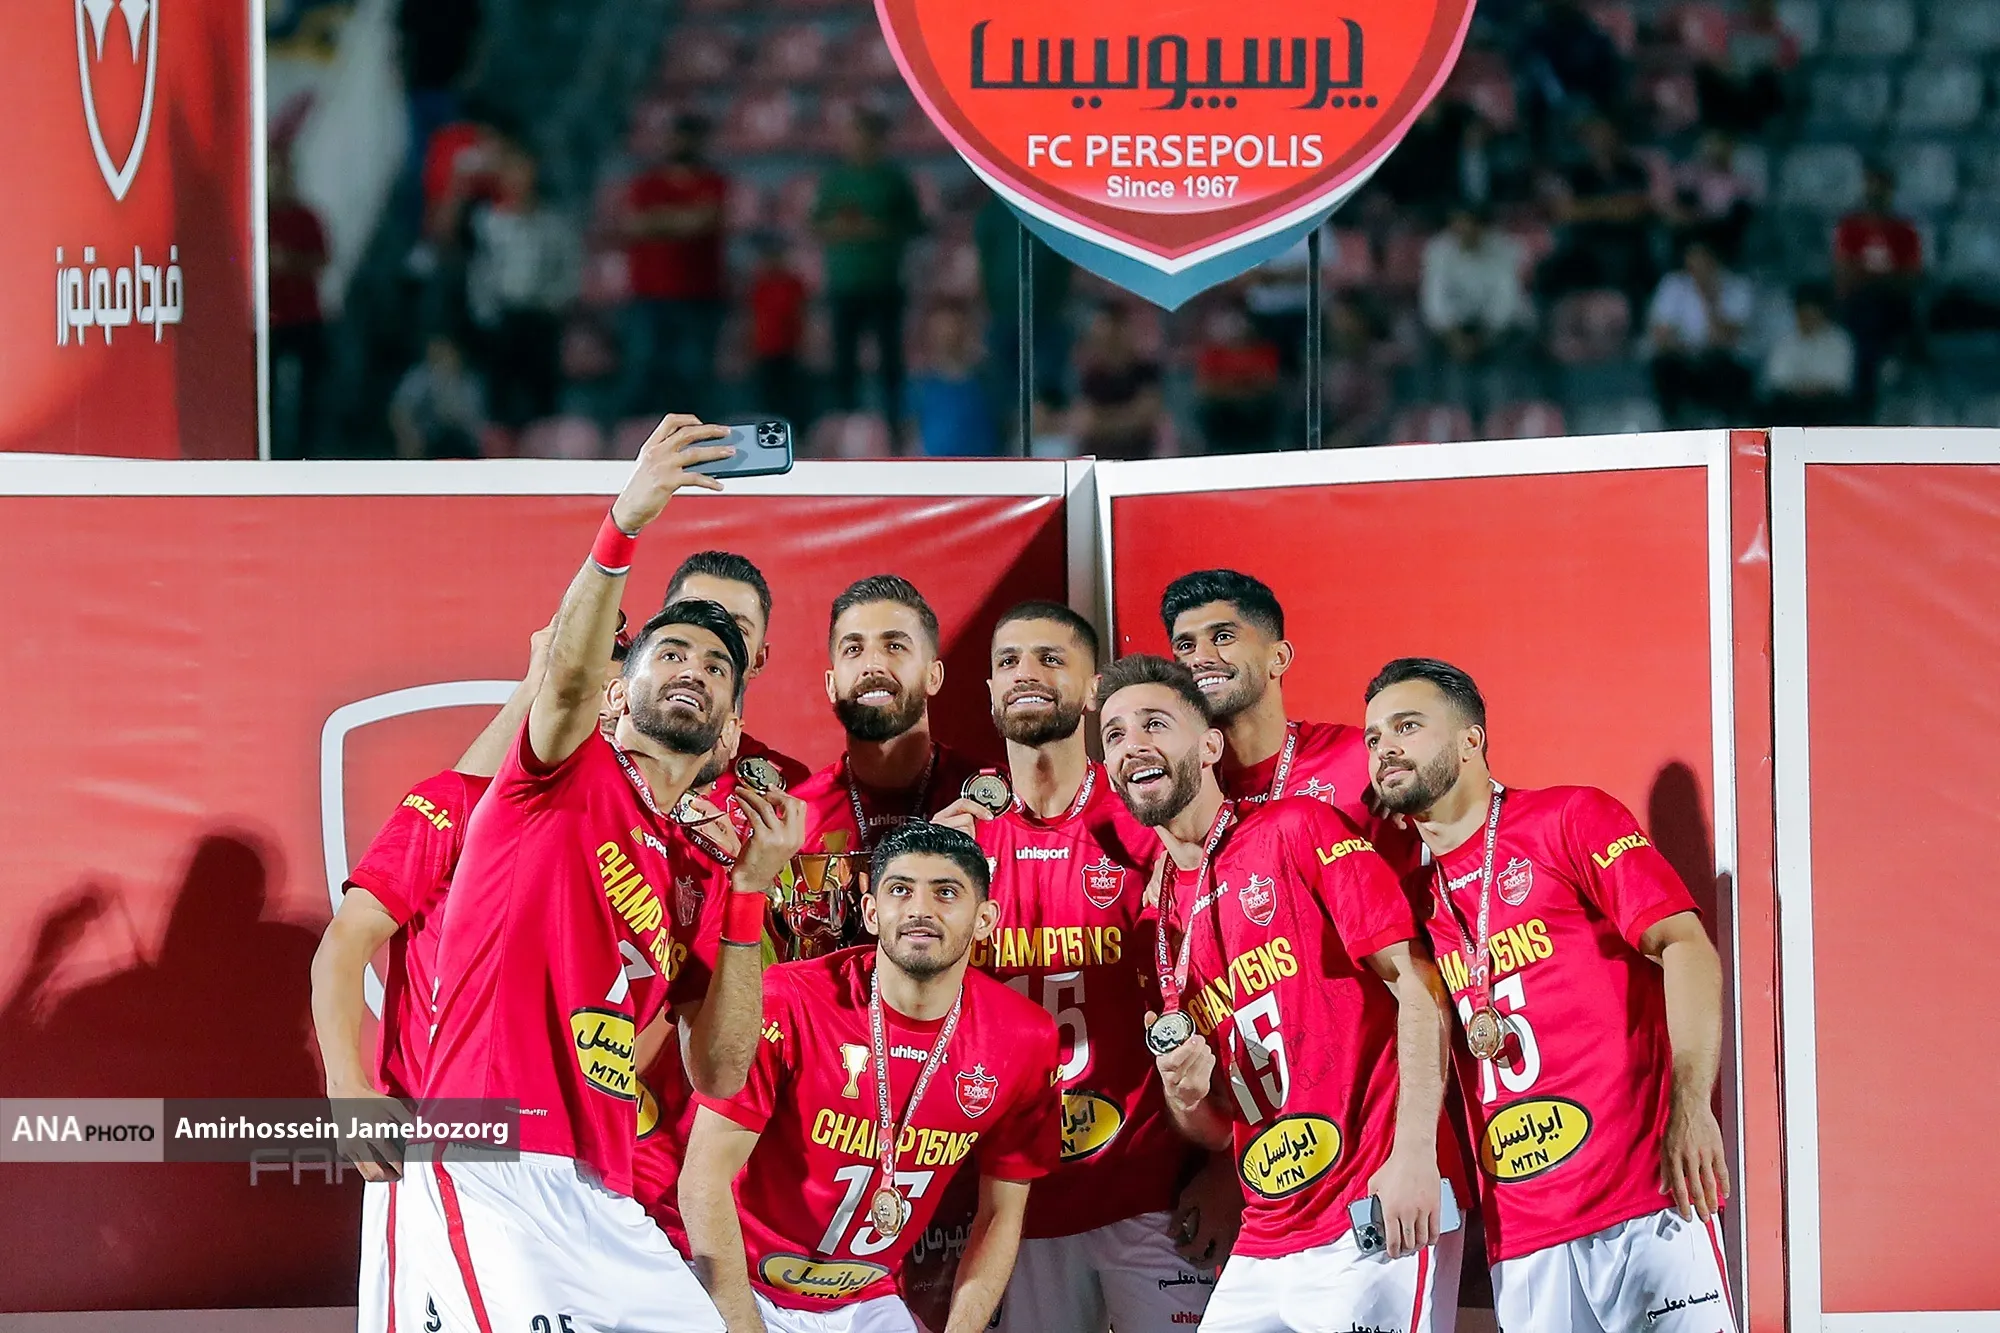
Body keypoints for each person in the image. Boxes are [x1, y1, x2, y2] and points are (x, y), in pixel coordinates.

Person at [398, 415, 807, 1333]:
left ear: (732, 731)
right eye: (672, 653)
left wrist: (750, 893)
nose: (695, 670)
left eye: (719, 666)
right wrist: (627, 519)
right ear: (620, 690)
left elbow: (720, 1070)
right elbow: (568, 675)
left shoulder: (702, 872)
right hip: (494, 1161)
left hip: (607, 1192)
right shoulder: (558, 768)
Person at [1362, 658, 1735, 1333]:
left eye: (1407, 726)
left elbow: (1685, 947)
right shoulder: (1413, 903)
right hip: (1524, 1233)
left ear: (1470, 740)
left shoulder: (1567, 818)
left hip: (1647, 1196)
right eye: (1374, 736)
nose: (1385, 747)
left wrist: (1692, 1104)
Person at [1098, 656, 1462, 1333]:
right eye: (1114, 734)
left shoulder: (1297, 828)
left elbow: (1419, 984)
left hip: (1371, 1202)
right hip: (1265, 1230)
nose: (1133, 745)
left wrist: (1415, 1152)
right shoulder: (1156, 924)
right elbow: (1213, 1126)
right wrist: (1186, 1095)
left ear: (1211, 746)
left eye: (1155, 724)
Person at [927, 602, 1232, 1333]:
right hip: (1012, 1210)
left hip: (1151, 1198)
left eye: (1050, 658)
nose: (1026, 674)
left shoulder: (1148, 820)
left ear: (1094, 688)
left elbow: (1235, 993)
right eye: (1008, 662)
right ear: (989, 690)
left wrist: (1229, 1169)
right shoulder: (954, 845)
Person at [679, 822, 1062, 1333]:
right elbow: (703, 1178)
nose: (920, 910)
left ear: (985, 918)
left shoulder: (1024, 1037)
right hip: (734, 1282)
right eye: (900, 890)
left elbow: (1001, 1215)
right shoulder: (791, 999)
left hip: (865, 1300)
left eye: (946, 893)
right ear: (871, 912)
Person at [1161, 569, 1419, 874]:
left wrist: (1418, 785)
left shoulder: (1363, 757)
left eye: (1223, 637)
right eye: (1186, 646)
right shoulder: (1180, 786)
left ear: (1279, 658)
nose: (1199, 658)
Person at [784, 577, 982, 956]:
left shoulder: (987, 805)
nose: (873, 665)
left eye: (894, 646)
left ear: (933, 676)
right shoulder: (794, 819)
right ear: (831, 684)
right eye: (854, 649)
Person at [814, 110, 925, 438]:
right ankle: (844, 428)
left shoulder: (893, 180)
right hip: (845, 283)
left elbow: (915, 224)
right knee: (843, 360)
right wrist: (849, 229)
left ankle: (893, 427)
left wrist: (879, 229)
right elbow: (818, 223)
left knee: (890, 360)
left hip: (885, 282)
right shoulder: (835, 181)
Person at [620, 114, 730, 419]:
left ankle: (697, 435)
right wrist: (684, 219)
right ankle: (637, 434)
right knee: (643, 371)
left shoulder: (713, 182)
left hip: (700, 296)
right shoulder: (646, 184)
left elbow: (705, 221)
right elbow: (635, 225)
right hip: (649, 295)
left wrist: (661, 221)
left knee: (694, 375)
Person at [466, 147, 580, 431]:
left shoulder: (553, 224)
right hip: (502, 319)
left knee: (542, 398)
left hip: (542, 318)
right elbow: (480, 272)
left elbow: (569, 267)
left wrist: (555, 303)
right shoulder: (488, 223)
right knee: (498, 399)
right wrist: (485, 314)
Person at [1418, 205, 1532, 417]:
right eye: (1457, 224)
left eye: (1468, 224)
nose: (1462, 231)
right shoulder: (1438, 249)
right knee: (1435, 354)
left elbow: (1505, 303)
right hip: (1455, 328)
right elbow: (1434, 302)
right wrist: (1455, 338)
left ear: (1481, 227)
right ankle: (1453, 418)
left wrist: (1482, 339)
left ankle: (1501, 416)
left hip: (1502, 327)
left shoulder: (1505, 248)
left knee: (1508, 354)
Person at [1833, 166, 1923, 417]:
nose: (1875, 193)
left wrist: (1870, 277)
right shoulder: (1850, 228)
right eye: (1871, 186)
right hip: (1859, 307)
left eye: (1881, 187)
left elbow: (1910, 278)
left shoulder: (1904, 230)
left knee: (1892, 314)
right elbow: (1845, 275)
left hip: (1895, 305)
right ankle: (1864, 405)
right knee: (1866, 318)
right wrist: (1883, 278)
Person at [1539, 116, 1655, 306]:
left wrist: (1588, 208)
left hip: (1627, 244)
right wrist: (1612, 207)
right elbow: (1565, 212)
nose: (1600, 140)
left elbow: (1636, 209)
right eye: (1594, 135)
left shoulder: (1633, 170)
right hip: (1587, 246)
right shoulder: (1577, 174)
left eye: (1604, 134)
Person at [1645, 240, 1755, 425]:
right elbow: (1661, 335)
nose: (1697, 269)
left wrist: (1710, 301)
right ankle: (1673, 423)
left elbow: (1725, 338)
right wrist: (1687, 348)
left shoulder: (1738, 287)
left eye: (1703, 262)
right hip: (1684, 357)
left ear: (1714, 260)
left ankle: (1726, 423)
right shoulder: (1673, 285)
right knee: (1664, 366)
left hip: (1722, 359)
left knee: (1724, 368)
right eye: (1692, 262)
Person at [267, 147, 330, 459]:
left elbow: (322, 260)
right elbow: (235, 259)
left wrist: (289, 262)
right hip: (270, 319)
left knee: (310, 391)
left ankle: (307, 452)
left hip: (304, 316)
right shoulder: (259, 219)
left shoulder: (306, 218)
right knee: (266, 391)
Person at [1071, 305, 1164, 460]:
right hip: (1098, 460)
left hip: (1139, 458)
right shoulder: (1089, 376)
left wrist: (1104, 421)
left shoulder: (1146, 371)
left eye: (1115, 334)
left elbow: (1147, 416)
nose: (1110, 341)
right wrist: (1128, 417)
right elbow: (1084, 422)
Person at [909, 303, 1002, 457]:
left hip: (982, 466)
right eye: (940, 330)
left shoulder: (987, 383)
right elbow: (911, 437)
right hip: (934, 467)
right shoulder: (919, 387)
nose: (947, 336)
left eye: (952, 328)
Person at [1192, 302, 1284, 454]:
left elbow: (1268, 385)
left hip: (1258, 415)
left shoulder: (1264, 351)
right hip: (1222, 416)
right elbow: (1206, 388)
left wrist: (1235, 388)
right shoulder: (1213, 355)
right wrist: (1239, 388)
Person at [1763, 285, 1856, 426]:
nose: (1807, 319)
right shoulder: (1785, 340)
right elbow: (1777, 378)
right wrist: (1801, 389)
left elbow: (1839, 381)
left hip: (1826, 404)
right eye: (1803, 314)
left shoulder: (1839, 341)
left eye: (1811, 313)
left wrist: (1812, 389)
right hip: (1792, 403)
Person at [747, 233, 810, 428]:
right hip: (765, 348)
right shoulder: (759, 285)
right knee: (767, 395)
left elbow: (802, 313)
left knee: (791, 394)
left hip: (790, 348)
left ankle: (794, 428)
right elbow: (751, 317)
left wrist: (805, 342)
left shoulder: (793, 283)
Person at [390, 335, 487, 459]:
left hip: (462, 438)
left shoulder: (470, 383)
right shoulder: (419, 377)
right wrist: (409, 431)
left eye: (445, 352)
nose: (441, 358)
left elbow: (477, 423)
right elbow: (398, 409)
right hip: (425, 435)